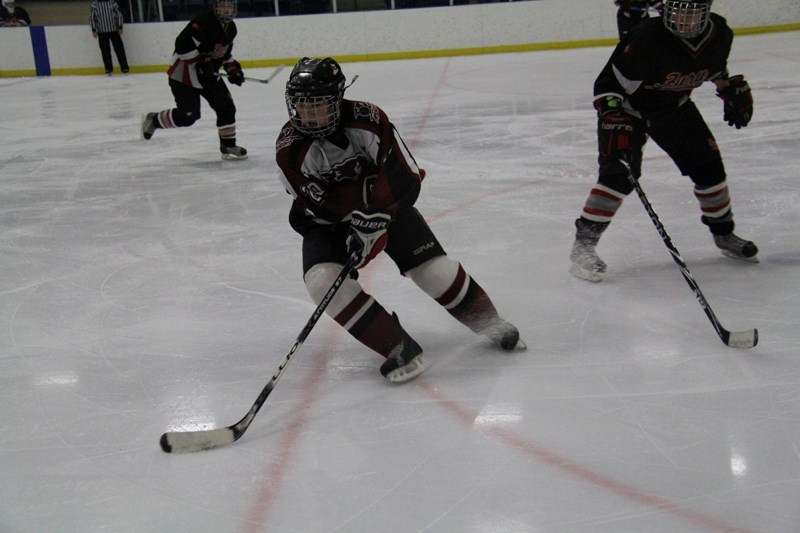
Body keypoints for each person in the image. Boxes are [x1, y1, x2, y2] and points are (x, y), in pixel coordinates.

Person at [276, 57, 523, 383]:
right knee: (322, 281)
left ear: (337, 99)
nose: (308, 114)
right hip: (329, 225)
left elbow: (405, 175)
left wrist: (375, 222)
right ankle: (397, 347)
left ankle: (489, 321)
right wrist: (358, 234)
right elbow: (319, 208)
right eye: (301, 106)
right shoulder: (289, 149)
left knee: (436, 272)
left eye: (318, 105)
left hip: (388, 207)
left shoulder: (367, 119)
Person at [570, 0, 757, 283]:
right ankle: (583, 246)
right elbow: (608, 85)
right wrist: (611, 115)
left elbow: (714, 69)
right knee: (618, 176)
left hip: (675, 107)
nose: (684, 20)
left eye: (692, 13)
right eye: (678, 12)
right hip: (629, 110)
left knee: (709, 169)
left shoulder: (721, 34)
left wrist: (728, 89)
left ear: (706, 13)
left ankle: (724, 235)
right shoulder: (646, 37)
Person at [141, 0, 247, 161]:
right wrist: (200, 63)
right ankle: (154, 120)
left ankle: (228, 145)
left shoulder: (231, 28)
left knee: (226, 107)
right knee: (188, 116)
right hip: (183, 75)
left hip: (208, 75)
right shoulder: (203, 22)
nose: (226, 10)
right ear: (216, 7)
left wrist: (233, 70)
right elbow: (182, 45)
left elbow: (223, 54)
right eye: (223, 6)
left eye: (230, 6)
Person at [89, 0, 129, 75]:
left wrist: (120, 27)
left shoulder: (112, 2)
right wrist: (94, 29)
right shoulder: (94, 5)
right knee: (105, 51)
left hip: (114, 30)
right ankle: (108, 69)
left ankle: (124, 68)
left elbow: (119, 14)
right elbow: (92, 18)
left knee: (119, 50)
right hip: (102, 32)